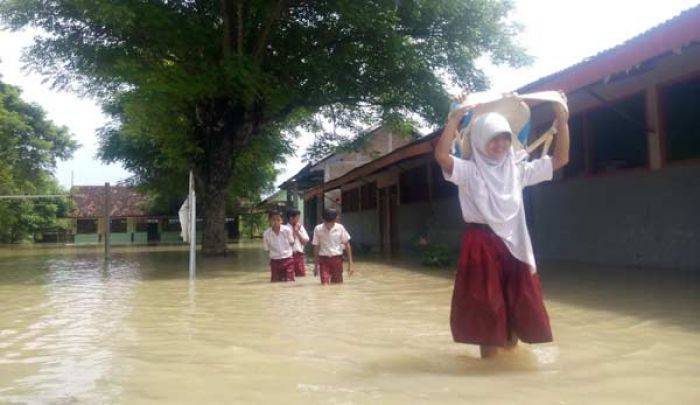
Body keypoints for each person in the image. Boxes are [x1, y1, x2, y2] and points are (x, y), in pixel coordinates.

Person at [434, 94, 570, 358]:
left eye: (505, 137)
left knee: (515, 304)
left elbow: (560, 160)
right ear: (480, 140)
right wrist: (454, 119)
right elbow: (441, 155)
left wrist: (562, 122)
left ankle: (508, 372)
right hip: (481, 244)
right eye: (493, 138)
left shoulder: (518, 170)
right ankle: (490, 372)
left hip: (515, 243)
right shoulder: (469, 171)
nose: (500, 144)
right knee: (488, 309)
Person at [312, 208, 353, 285]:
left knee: (338, 285)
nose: (329, 225)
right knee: (324, 285)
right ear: (323, 219)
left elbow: (347, 245)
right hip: (324, 261)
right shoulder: (318, 229)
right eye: (327, 222)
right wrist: (315, 265)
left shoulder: (340, 228)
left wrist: (350, 264)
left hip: (337, 260)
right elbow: (316, 247)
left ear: (335, 220)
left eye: (332, 222)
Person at [262, 210, 295, 282]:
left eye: (278, 219)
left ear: (281, 220)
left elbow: (292, 242)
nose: (276, 222)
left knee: (289, 282)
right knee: (275, 282)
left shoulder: (287, 230)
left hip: (288, 259)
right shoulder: (266, 234)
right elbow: (266, 249)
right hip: (275, 261)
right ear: (269, 221)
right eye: (273, 220)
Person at [286, 208, 309, 277]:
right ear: (291, 218)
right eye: (297, 218)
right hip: (288, 256)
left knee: (301, 275)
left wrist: (297, 232)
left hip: (299, 255)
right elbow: (289, 243)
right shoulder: (285, 229)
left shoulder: (300, 227)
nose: (298, 220)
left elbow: (305, 242)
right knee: (289, 276)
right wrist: (294, 232)